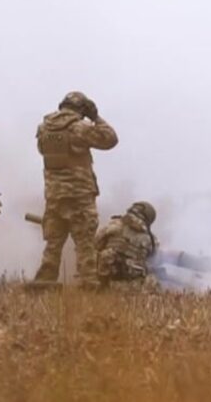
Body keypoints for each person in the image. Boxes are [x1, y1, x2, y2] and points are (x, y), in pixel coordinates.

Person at [30, 91, 118, 288]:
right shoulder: (80, 128)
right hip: (80, 195)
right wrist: (96, 117)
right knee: (85, 243)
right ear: (82, 109)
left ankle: (44, 282)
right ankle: (89, 284)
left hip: (54, 195)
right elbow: (110, 139)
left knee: (53, 243)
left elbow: (43, 151)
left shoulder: (44, 128)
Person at [96, 201, 158, 287]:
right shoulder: (151, 240)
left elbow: (95, 244)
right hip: (130, 285)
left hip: (102, 281)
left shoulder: (113, 225)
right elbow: (152, 260)